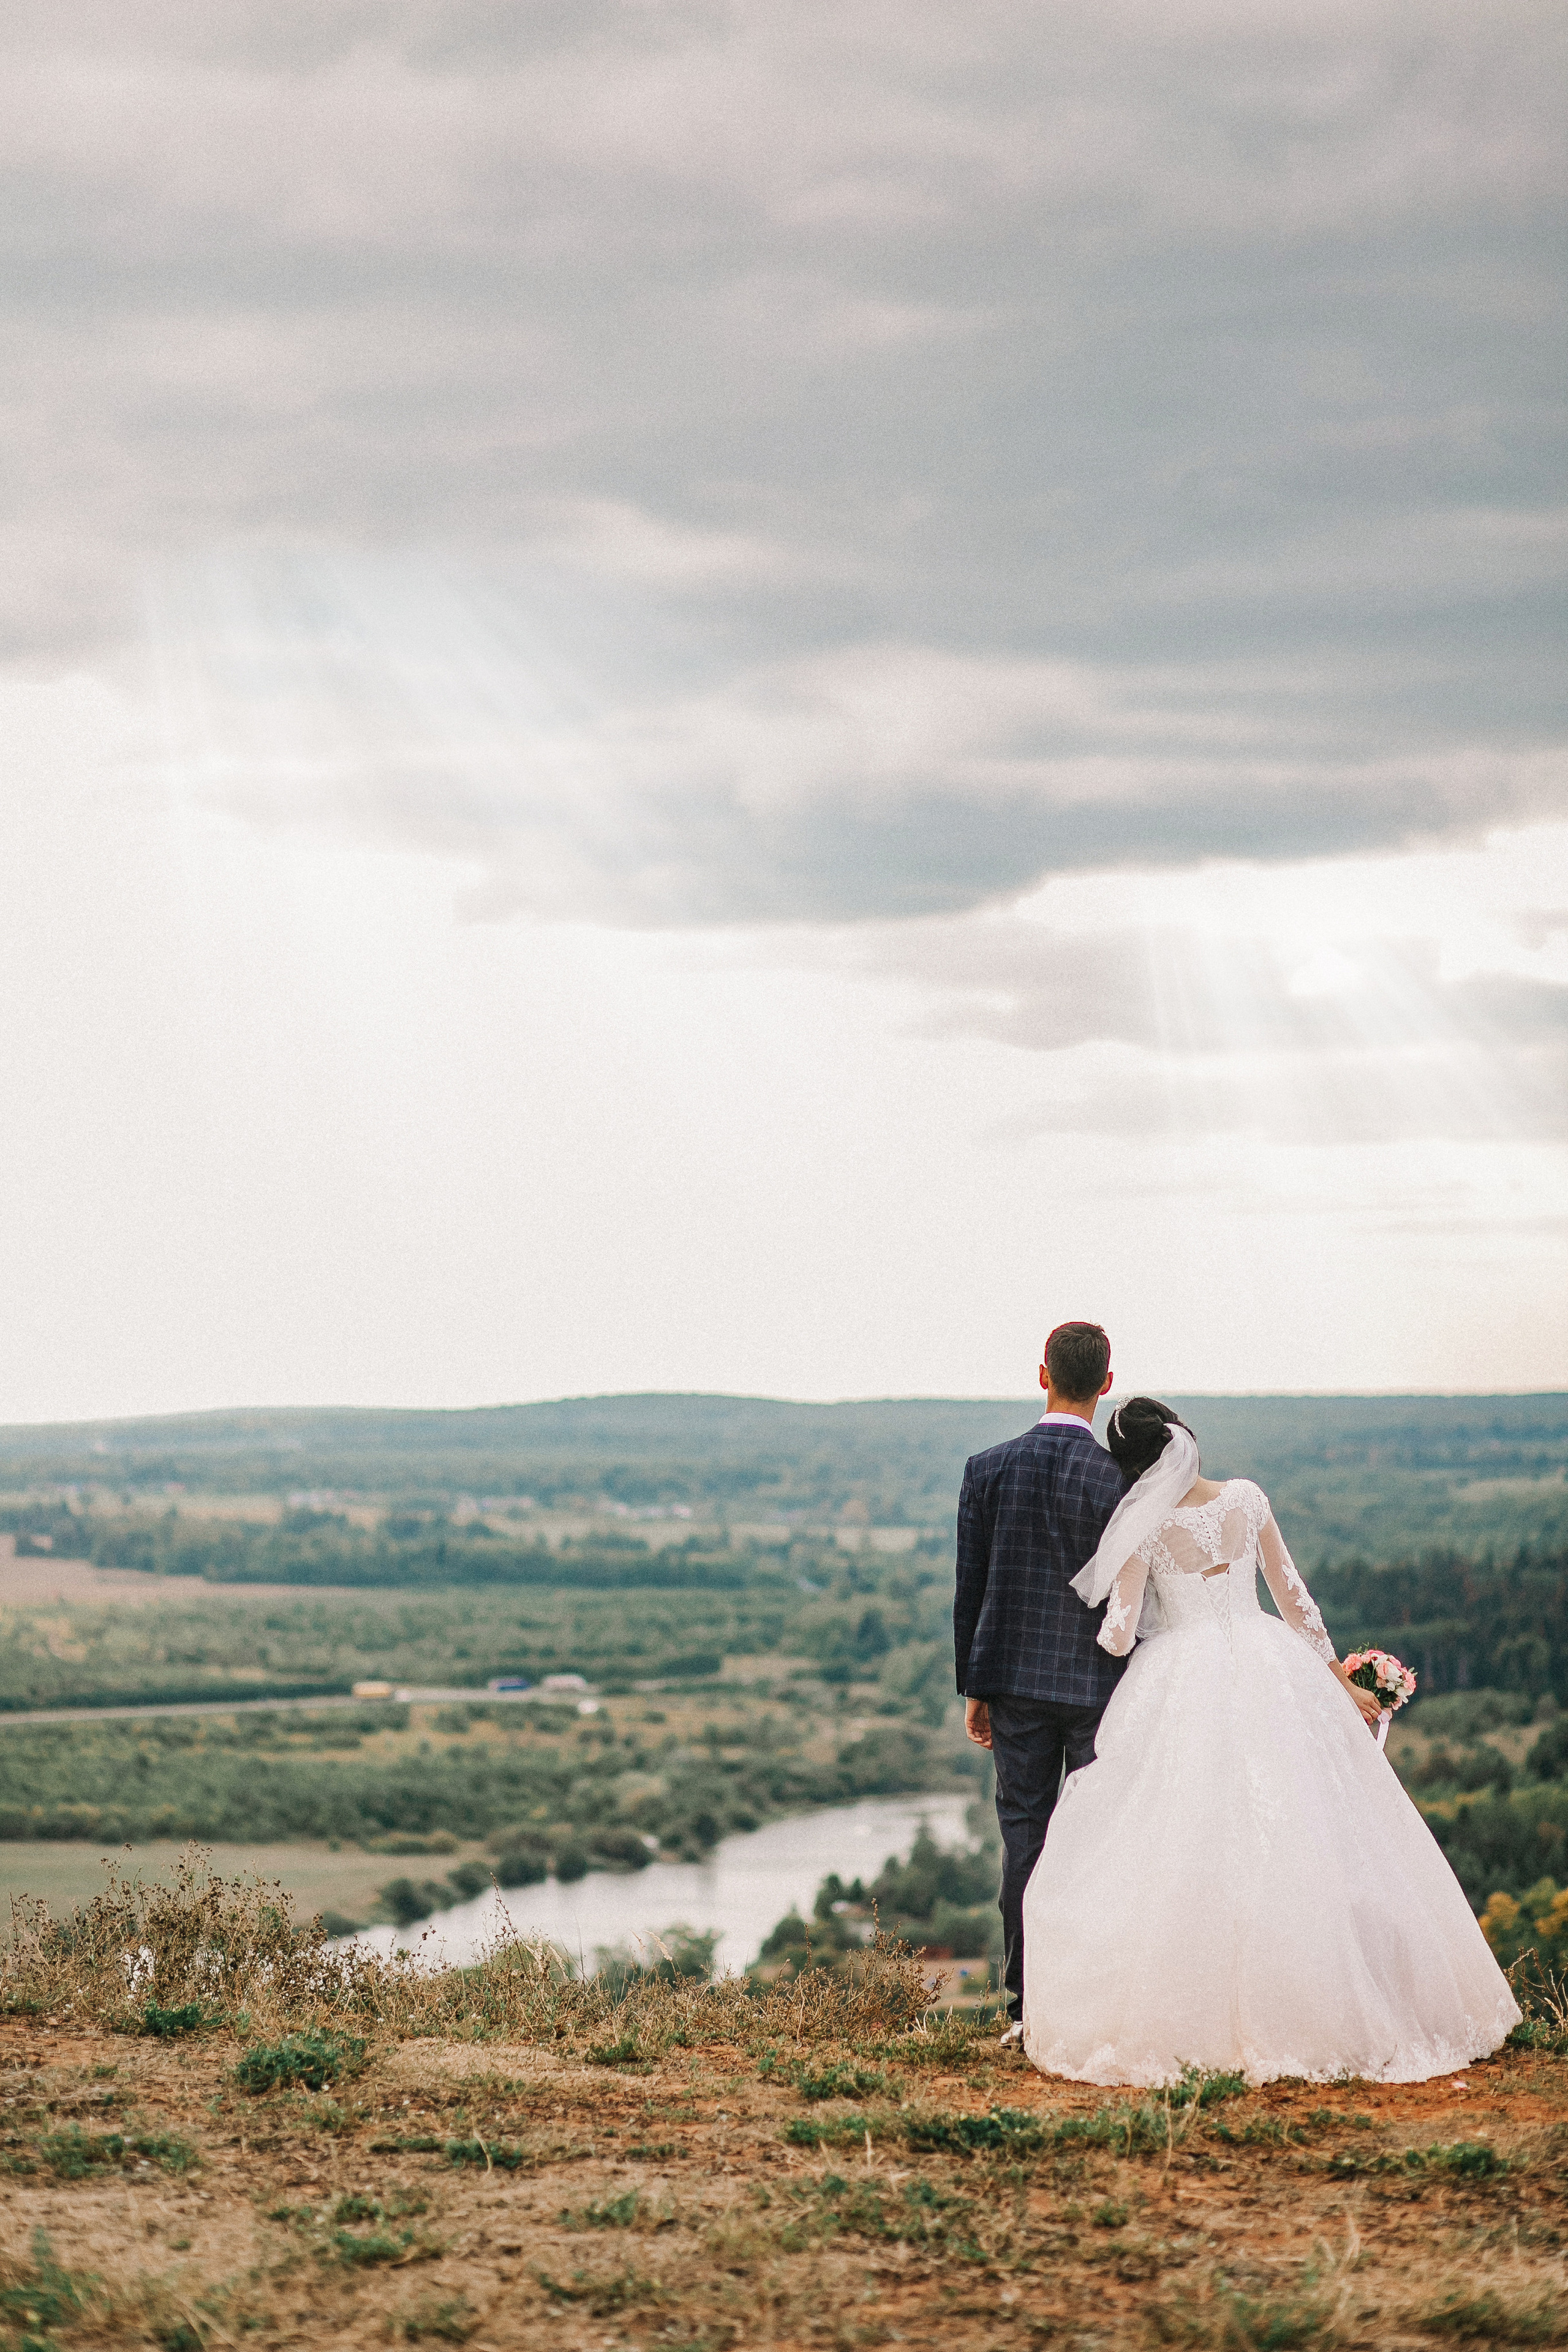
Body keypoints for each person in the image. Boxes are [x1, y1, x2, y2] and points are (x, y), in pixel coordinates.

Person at [1020, 1396, 1520, 2084]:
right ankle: (1336, 1998)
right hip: (1269, 1663)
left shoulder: (1141, 1526)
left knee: (1184, 1836)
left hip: (1181, 1677)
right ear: (1184, 1440)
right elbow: (1295, 1602)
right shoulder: (1246, 1499)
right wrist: (1342, 1683)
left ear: (1133, 1464)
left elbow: (1118, 1631)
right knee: (1308, 1826)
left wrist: (1117, 1618)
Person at [954, 1321, 1127, 2048]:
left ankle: (1028, 2008)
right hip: (1099, 1688)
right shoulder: (1121, 1478)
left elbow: (973, 1588)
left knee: (1023, 1835)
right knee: (1099, 1842)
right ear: (1107, 1385)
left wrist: (975, 1687)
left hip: (1015, 1684)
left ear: (1041, 1374)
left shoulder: (987, 1467)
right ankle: (1095, 1999)